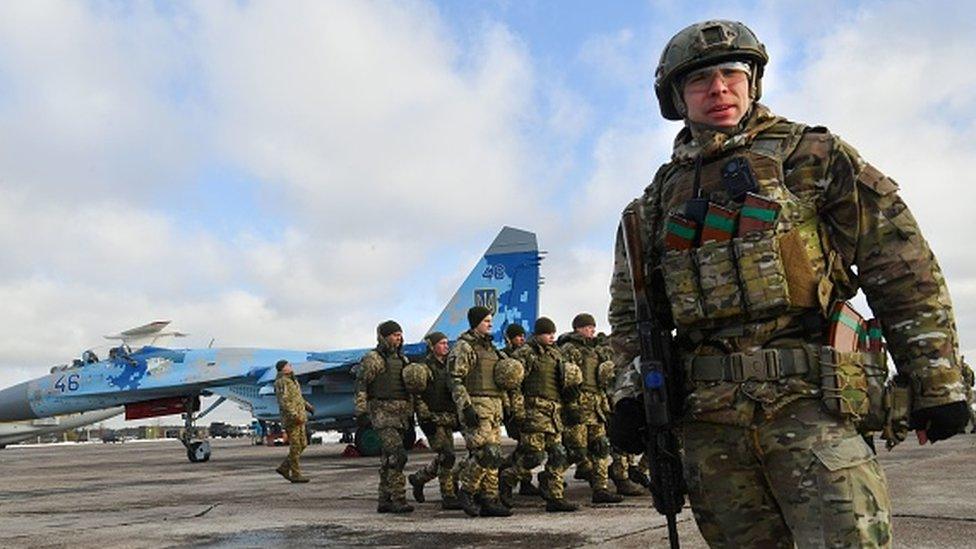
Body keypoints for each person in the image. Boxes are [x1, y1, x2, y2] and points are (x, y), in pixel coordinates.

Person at [608, 19, 970, 547]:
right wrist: (631, 393)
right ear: (676, 98)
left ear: (752, 80)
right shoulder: (654, 202)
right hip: (710, 424)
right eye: (700, 80)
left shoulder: (813, 157)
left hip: (811, 408)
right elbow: (631, 315)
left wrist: (936, 381)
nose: (719, 88)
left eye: (732, 72)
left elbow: (898, 265)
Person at [500, 317, 579, 512]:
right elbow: (515, 384)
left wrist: (570, 400)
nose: (552, 336)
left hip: (553, 412)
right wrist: (517, 411)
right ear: (537, 335)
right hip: (533, 411)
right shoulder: (525, 354)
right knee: (534, 456)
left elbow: (562, 382)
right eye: (547, 333)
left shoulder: (556, 354)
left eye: (553, 333)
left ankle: (555, 497)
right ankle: (507, 479)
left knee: (559, 453)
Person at [449, 306, 512, 517]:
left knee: (494, 457)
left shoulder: (492, 349)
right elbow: (455, 380)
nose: (490, 324)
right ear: (475, 322)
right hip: (476, 407)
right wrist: (465, 407)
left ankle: (489, 499)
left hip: (494, 408)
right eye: (486, 320)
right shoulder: (464, 347)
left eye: (490, 320)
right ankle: (466, 490)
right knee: (487, 454)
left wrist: (507, 405)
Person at [558, 314, 626, 504]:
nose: (591, 331)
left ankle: (600, 489)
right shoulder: (569, 349)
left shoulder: (595, 351)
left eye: (593, 328)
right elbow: (566, 379)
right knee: (576, 451)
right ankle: (551, 479)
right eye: (588, 327)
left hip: (596, 406)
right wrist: (570, 405)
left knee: (601, 446)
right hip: (578, 405)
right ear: (578, 328)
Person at [355, 320, 414, 514]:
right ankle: (398, 499)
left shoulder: (403, 360)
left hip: (400, 415)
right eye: (395, 334)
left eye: (400, 334)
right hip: (382, 413)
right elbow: (361, 385)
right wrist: (362, 412)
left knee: (388, 458)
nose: (399, 338)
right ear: (384, 336)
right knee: (398, 455)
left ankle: (384, 499)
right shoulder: (373, 359)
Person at [406, 332, 462, 510]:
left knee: (446, 456)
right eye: (442, 343)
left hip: (448, 417)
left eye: (447, 343)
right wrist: (424, 417)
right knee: (447, 456)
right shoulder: (424, 368)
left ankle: (419, 478)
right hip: (432, 418)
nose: (446, 346)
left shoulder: (449, 366)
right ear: (432, 346)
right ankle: (448, 495)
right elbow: (418, 396)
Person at [499, 322, 542, 497]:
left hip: (527, 405)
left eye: (523, 336)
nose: (521, 339)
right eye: (517, 336)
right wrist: (512, 409)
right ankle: (508, 473)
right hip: (513, 408)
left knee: (526, 446)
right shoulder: (504, 357)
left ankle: (523, 480)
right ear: (509, 338)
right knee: (527, 446)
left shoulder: (526, 355)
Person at [274, 359, 314, 483]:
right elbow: (284, 401)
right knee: (296, 445)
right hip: (292, 419)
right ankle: (296, 474)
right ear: (283, 368)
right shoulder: (282, 382)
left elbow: (297, 398)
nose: (291, 367)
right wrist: (294, 415)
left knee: (303, 444)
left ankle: (284, 467)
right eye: (288, 365)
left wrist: (307, 406)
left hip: (300, 417)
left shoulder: (293, 380)